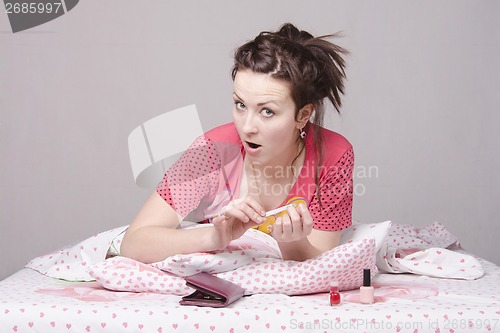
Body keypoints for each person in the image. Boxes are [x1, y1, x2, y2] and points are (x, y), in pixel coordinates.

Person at [120, 23, 354, 263]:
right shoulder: (211, 151)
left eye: (267, 112)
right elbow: (134, 243)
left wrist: (291, 240)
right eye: (240, 105)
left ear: (303, 115)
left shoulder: (334, 156)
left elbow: (323, 261)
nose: (247, 127)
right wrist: (215, 237)